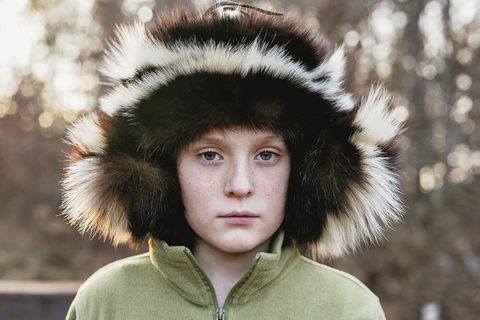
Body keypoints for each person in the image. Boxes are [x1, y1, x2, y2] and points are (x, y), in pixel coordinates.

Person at [61, 2, 404, 319]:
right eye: (209, 155)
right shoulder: (104, 304)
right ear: (162, 170)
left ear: (305, 172)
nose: (240, 186)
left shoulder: (347, 310)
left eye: (267, 155)